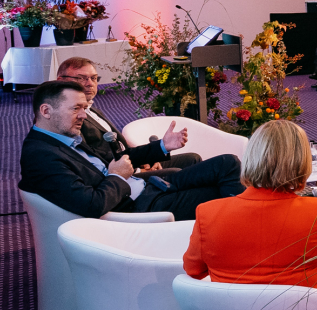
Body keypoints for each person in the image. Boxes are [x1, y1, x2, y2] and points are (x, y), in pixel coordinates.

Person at [19, 80, 243, 222]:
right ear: (46, 111)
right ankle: (242, 230)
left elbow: (119, 158)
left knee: (229, 164)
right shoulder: (41, 156)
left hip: (146, 186)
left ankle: (237, 226)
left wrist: (162, 146)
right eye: (76, 108)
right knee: (223, 196)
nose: (83, 116)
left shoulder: (65, 136)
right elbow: (91, 204)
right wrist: (117, 176)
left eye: (84, 108)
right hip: (139, 207)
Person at [182, 121, 317, 289]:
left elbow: (193, 270)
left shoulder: (208, 213)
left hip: (232, 307)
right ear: (302, 162)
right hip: (307, 306)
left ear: (250, 157)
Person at [55, 57, 199, 171]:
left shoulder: (93, 109)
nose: (90, 83)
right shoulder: (69, 119)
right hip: (122, 176)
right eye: (81, 78)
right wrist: (138, 170)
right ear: (60, 81)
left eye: (94, 78)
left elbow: (120, 147)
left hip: (131, 161)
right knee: (180, 173)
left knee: (193, 159)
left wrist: (151, 157)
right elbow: (95, 162)